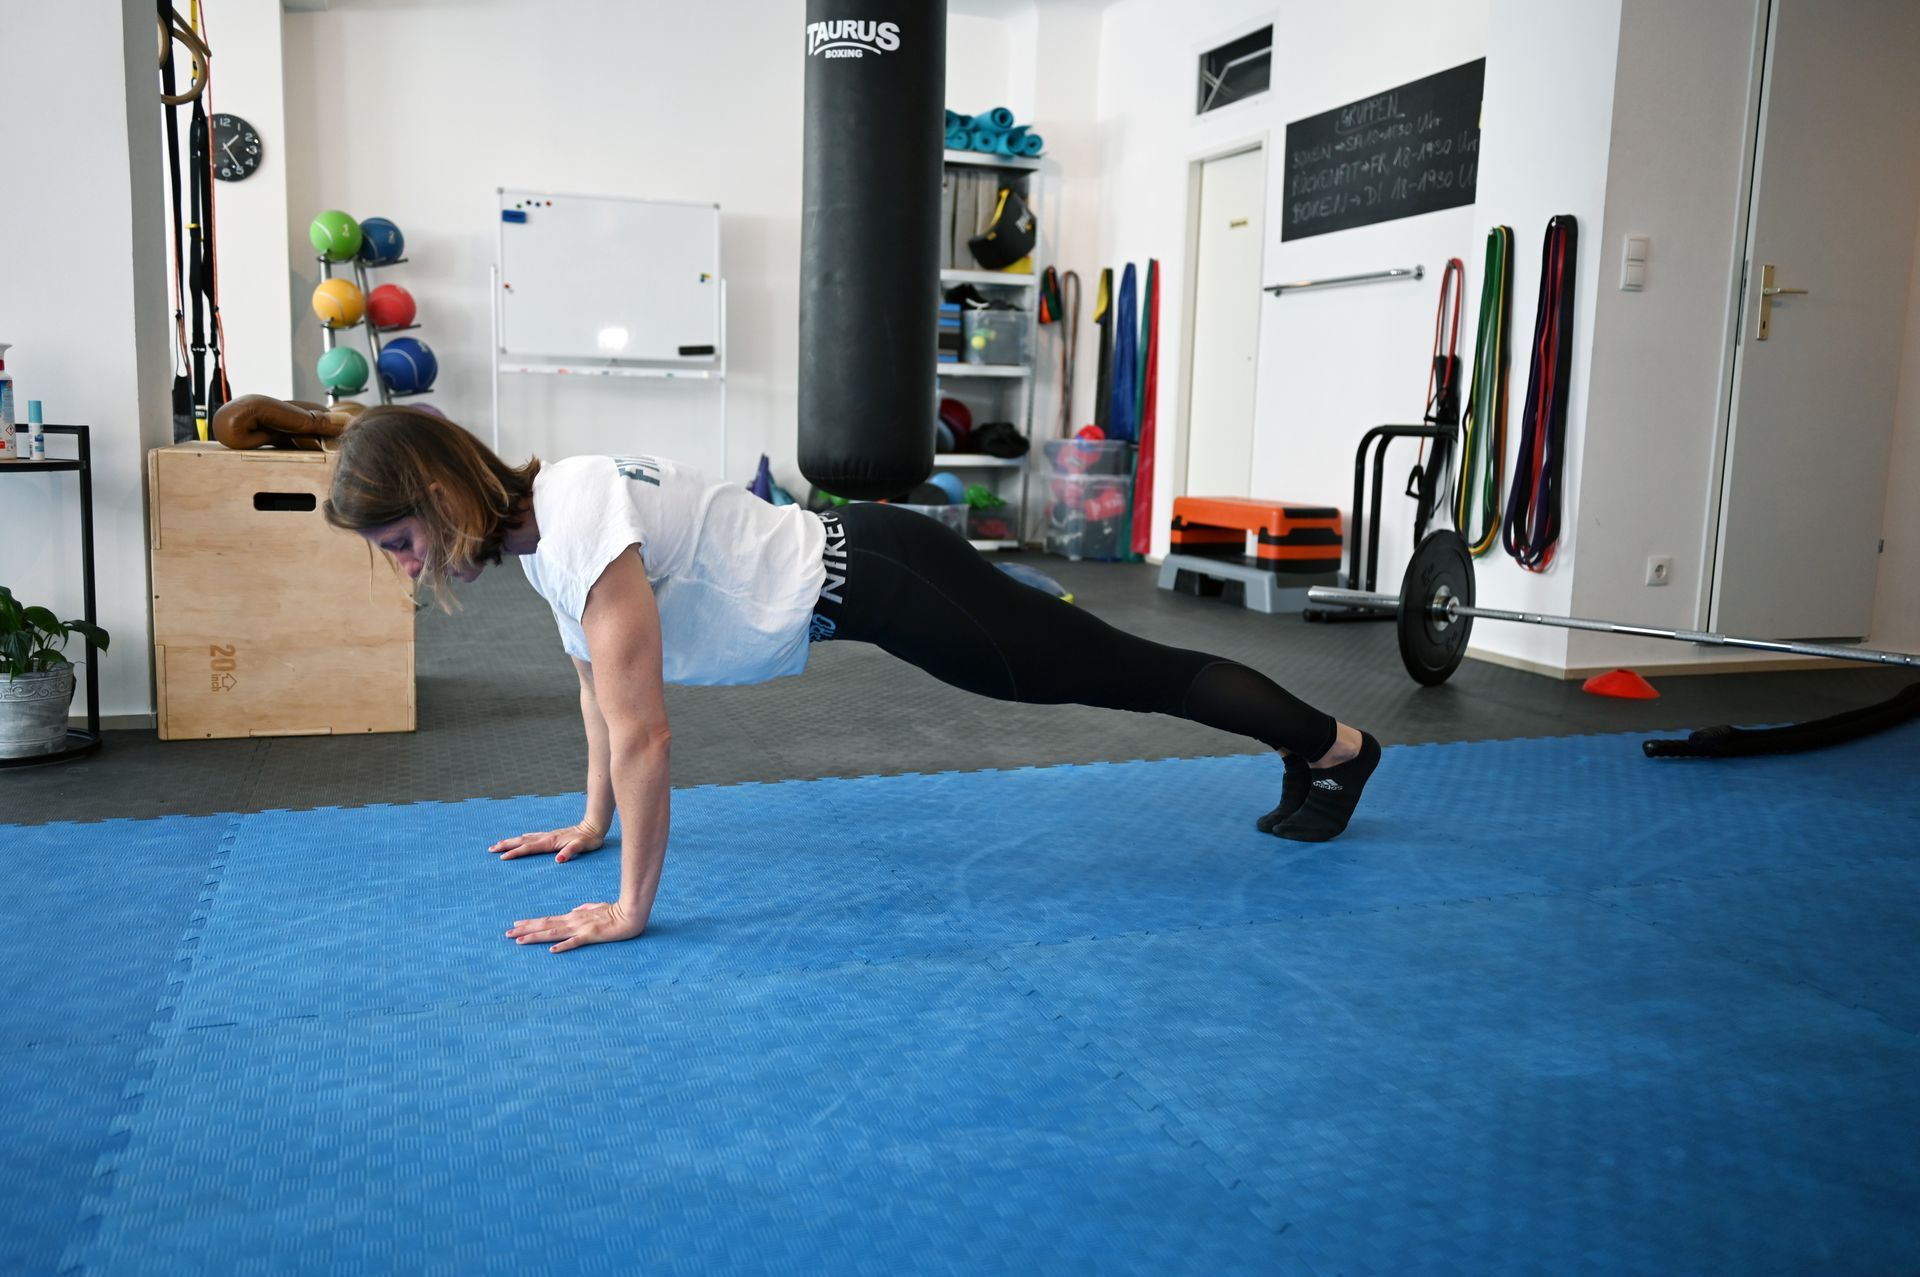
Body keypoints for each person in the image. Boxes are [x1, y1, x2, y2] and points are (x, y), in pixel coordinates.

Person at [320, 405, 1382, 953]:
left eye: (401, 539)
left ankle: (1337, 747)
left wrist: (630, 907)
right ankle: (1315, 748)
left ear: (442, 490)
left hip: (885, 578)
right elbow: (595, 689)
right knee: (1111, 667)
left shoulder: (579, 520)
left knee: (1127, 675)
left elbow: (646, 732)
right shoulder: (545, 527)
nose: (405, 566)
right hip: (865, 576)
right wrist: (589, 823)